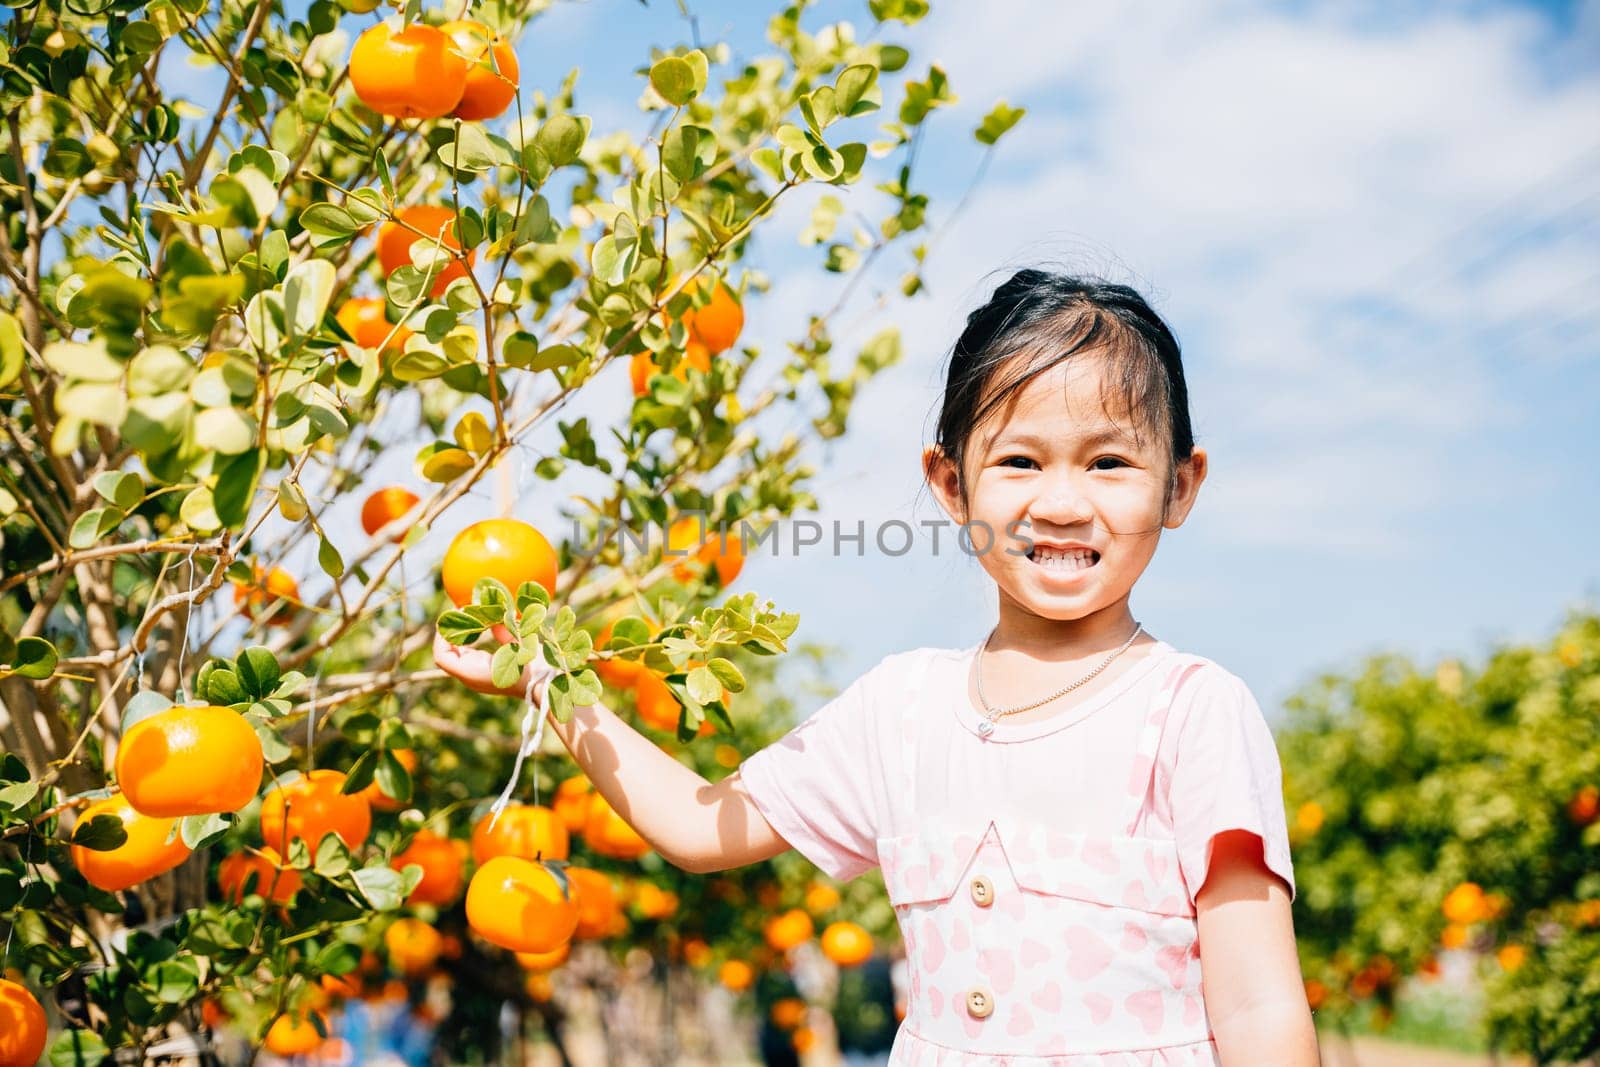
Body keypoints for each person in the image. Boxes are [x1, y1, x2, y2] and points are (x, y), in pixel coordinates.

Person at [434, 269, 1322, 1065]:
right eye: (1018, 460)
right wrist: (545, 679)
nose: (1060, 501)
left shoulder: (1193, 711)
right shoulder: (903, 709)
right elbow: (704, 828)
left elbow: (1257, 1003)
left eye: (1109, 462)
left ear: (1179, 484)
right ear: (951, 485)